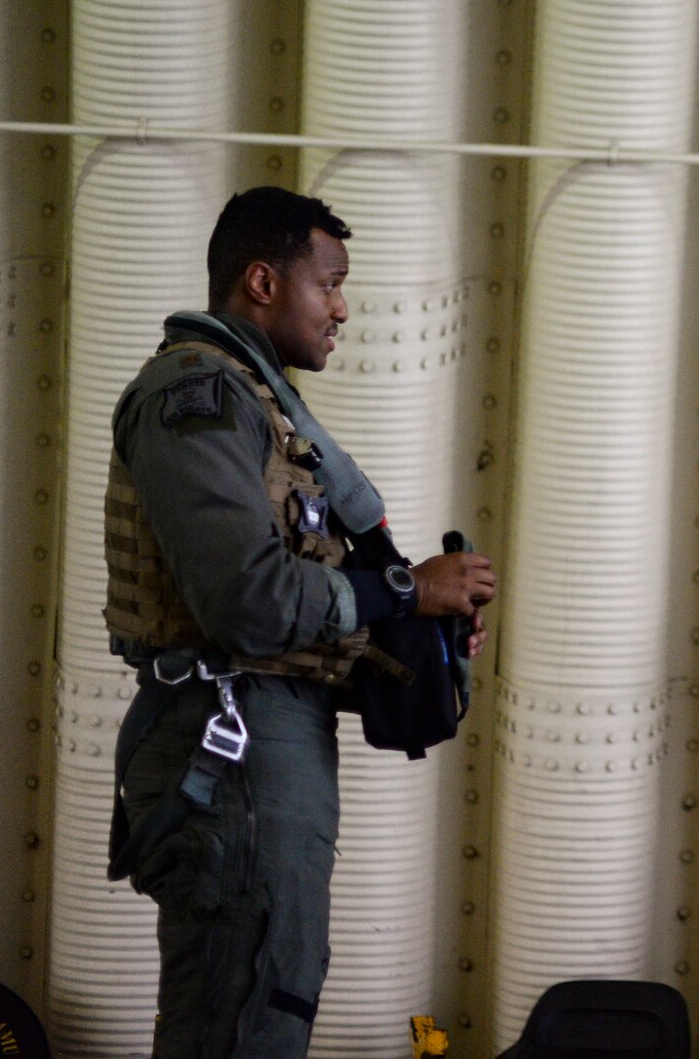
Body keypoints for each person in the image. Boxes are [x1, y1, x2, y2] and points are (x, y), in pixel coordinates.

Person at [103, 187, 498, 1057]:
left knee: (267, 1001)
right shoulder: (198, 398)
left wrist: (411, 650)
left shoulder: (258, 405)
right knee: (239, 1020)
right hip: (229, 748)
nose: (343, 308)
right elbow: (247, 603)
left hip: (262, 737)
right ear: (262, 281)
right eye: (331, 283)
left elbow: (288, 613)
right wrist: (406, 591)